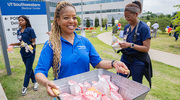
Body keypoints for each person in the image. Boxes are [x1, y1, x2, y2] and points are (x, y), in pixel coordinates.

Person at [34, 1, 128, 98]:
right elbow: (39, 72)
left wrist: (114, 63)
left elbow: (98, 63)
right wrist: (46, 83)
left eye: (74, 17)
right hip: (64, 95)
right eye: (66, 18)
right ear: (58, 20)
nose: (71, 21)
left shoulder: (84, 41)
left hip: (85, 94)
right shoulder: (51, 44)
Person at [118, 1, 152, 88]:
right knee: (119, 80)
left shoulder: (144, 28)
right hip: (125, 58)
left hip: (138, 60)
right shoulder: (127, 27)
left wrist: (130, 45)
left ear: (136, 14)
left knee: (136, 85)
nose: (126, 19)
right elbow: (126, 40)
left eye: (128, 16)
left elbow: (146, 48)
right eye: (125, 17)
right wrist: (121, 45)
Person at [9, 15, 38, 96]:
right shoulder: (19, 31)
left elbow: (33, 41)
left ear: (26, 21)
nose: (20, 21)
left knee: (28, 70)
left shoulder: (30, 30)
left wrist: (31, 47)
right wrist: (13, 44)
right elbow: (21, 42)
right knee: (29, 68)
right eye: (19, 20)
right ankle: (35, 82)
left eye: (22, 20)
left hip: (30, 53)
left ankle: (24, 86)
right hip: (23, 52)